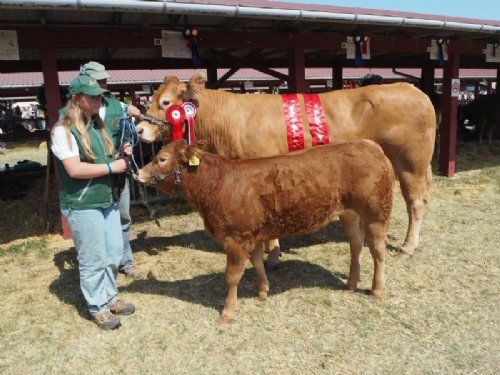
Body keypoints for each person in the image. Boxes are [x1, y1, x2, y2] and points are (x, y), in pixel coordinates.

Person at [51, 75, 136, 330]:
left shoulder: (98, 125)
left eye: (101, 95)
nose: (101, 100)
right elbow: (75, 170)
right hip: (82, 203)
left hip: (105, 199)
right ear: (76, 99)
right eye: (94, 96)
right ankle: (97, 307)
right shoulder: (62, 130)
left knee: (113, 252)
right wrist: (113, 166)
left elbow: (103, 159)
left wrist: (120, 154)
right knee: (93, 257)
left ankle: (110, 297)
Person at [79, 61, 142, 278]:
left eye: (104, 79)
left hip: (117, 173)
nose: (102, 83)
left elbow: (135, 113)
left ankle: (125, 260)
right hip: (90, 176)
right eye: (97, 79)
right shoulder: (72, 112)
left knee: (123, 216)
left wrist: (127, 142)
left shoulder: (117, 106)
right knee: (97, 222)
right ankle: (102, 266)